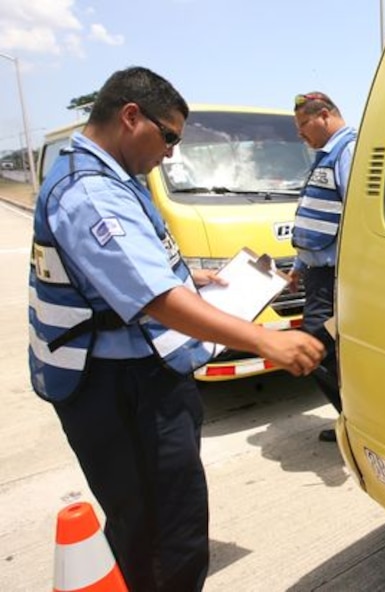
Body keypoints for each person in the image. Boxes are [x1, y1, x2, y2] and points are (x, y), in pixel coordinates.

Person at [28, 67, 324, 591]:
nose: (169, 153)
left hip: (133, 374)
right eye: (168, 138)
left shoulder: (111, 177)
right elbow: (155, 298)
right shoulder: (92, 192)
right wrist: (264, 339)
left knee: (151, 523)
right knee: (167, 534)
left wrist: (191, 274)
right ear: (130, 117)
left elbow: (129, 269)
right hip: (119, 386)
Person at [289, 92, 358, 442]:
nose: (301, 133)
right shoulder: (327, 155)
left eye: (304, 124)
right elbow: (319, 215)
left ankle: (358, 423)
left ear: (326, 116)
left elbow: (356, 214)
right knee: (335, 353)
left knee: (312, 349)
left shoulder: (347, 152)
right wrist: (300, 266)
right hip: (319, 276)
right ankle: (355, 422)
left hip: (336, 276)